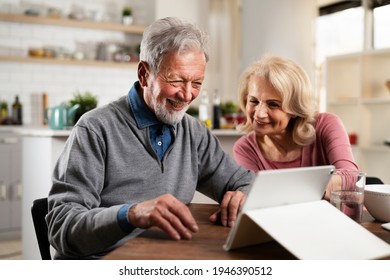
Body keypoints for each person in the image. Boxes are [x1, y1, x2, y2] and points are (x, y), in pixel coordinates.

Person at [46, 17, 255, 259]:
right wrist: (131, 214)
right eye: (176, 80)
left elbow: (245, 182)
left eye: (196, 83)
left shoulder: (194, 133)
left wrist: (243, 195)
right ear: (144, 74)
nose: (187, 95)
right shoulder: (94, 129)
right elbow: (62, 227)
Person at [233, 54, 358, 198]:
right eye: (254, 101)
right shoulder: (245, 148)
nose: (259, 113)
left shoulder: (326, 124)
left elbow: (352, 178)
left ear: (294, 109)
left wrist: (281, 192)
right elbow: (256, 198)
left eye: (273, 104)